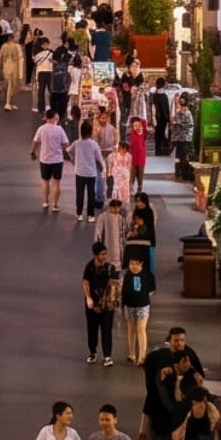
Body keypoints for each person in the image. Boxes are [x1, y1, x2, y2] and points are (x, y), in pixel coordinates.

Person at [80, 242, 118, 370]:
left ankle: (107, 356)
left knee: (107, 329)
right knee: (92, 329)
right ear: (96, 255)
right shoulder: (89, 267)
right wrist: (88, 298)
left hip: (106, 305)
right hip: (93, 304)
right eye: (102, 254)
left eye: (106, 254)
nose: (105, 256)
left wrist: (110, 299)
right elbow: (85, 283)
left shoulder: (110, 268)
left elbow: (113, 284)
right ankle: (93, 352)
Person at [118, 240, 155, 365]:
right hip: (129, 306)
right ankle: (132, 353)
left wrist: (142, 298)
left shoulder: (147, 275)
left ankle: (142, 356)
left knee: (141, 329)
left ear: (142, 264)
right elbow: (123, 291)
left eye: (136, 264)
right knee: (131, 328)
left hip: (143, 305)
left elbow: (151, 290)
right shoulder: (126, 275)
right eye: (131, 264)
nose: (134, 266)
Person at [31, 109, 70, 212]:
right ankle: (55, 205)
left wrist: (32, 152)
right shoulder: (59, 129)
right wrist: (63, 150)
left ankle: (45, 202)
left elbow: (35, 142)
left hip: (44, 160)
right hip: (57, 160)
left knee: (45, 181)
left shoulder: (41, 129)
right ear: (53, 117)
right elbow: (66, 144)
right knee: (56, 183)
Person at [70, 120, 105, 223]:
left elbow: (67, 150)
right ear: (90, 132)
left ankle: (79, 214)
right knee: (91, 195)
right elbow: (100, 158)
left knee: (79, 194)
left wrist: (72, 159)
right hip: (91, 174)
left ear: (81, 132)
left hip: (79, 173)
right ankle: (91, 215)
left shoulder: (77, 143)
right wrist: (104, 169)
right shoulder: (94, 144)